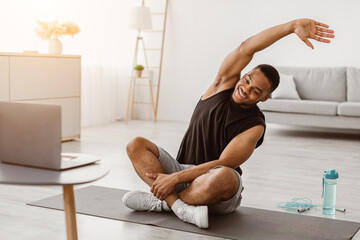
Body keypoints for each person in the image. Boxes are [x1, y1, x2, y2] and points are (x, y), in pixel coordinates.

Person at [123, 18, 334, 228]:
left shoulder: (255, 125)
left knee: (225, 175)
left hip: (215, 185)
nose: (246, 89)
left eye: (256, 92)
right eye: (248, 80)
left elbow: (224, 163)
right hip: (182, 172)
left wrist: (175, 179)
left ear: (264, 99)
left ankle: (165, 203)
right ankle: (179, 207)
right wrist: (290, 27)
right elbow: (246, 48)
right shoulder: (220, 85)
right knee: (136, 144)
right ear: (245, 74)